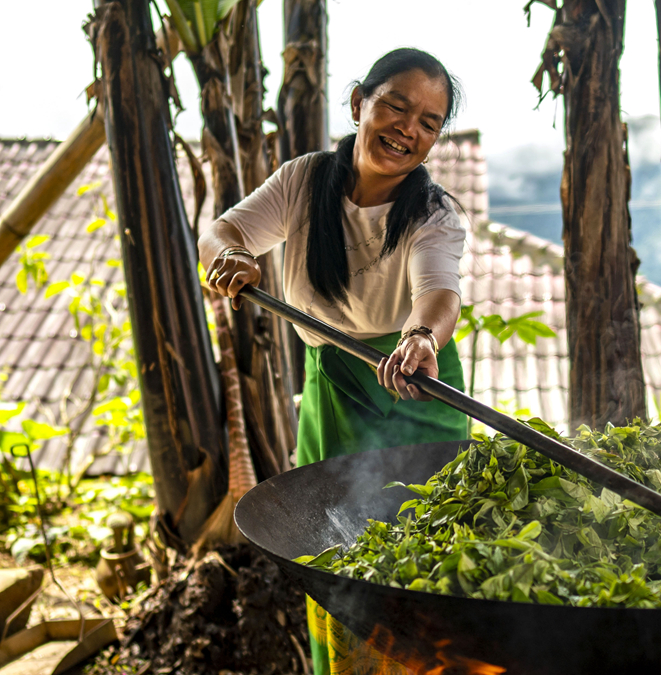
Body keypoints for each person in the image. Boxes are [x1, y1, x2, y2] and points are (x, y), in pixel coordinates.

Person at [200, 47, 469, 675]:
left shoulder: (434, 214)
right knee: (334, 555)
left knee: (422, 567)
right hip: (333, 388)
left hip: (415, 387)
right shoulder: (302, 181)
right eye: (396, 107)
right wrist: (232, 256)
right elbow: (221, 230)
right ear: (358, 104)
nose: (408, 130)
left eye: (428, 123)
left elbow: (438, 294)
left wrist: (423, 338)